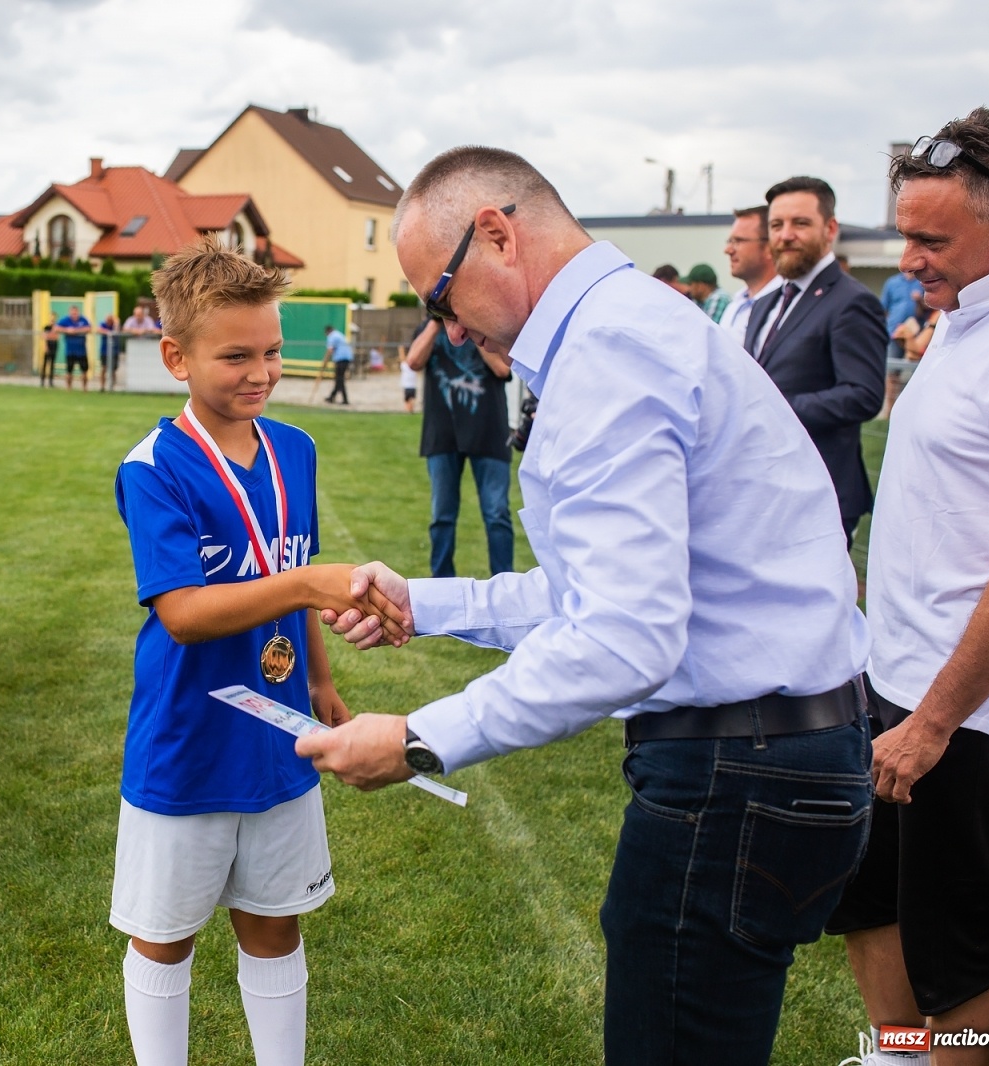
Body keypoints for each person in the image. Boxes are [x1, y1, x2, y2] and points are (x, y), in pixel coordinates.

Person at [297, 146, 872, 1065]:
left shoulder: (608, 349)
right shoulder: (625, 325)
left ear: (497, 234)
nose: (448, 329)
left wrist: (417, 738)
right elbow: (595, 592)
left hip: (735, 769)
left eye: (441, 297)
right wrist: (424, 602)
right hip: (771, 756)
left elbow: (624, 637)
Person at [111, 240, 387, 1066]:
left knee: (273, 923)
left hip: (280, 732)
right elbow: (185, 615)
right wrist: (304, 583)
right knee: (166, 935)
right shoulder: (154, 467)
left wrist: (323, 679)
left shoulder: (295, 448)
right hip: (187, 739)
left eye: (271, 351)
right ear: (177, 357)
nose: (261, 372)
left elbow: (292, 572)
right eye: (235, 356)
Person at [827, 107, 989, 1066]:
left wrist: (935, 722)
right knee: (868, 901)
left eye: (931, 240)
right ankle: (901, 1054)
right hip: (893, 675)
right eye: (905, 233)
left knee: (957, 953)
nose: (909, 259)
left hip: (963, 706)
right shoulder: (968, 313)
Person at [745, 176, 887, 544]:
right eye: (777, 225)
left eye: (800, 223)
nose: (786, 235)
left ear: (830, 229)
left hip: (820, 493)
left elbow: (863, 394)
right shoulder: (765, 304)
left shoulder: (852, 302)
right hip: (766, 487)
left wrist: (776, 409)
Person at [405, 318, 515, 577]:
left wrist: (470, 325)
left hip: (489, 432)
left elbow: (502, 369)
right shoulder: (429, 329)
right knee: (442, 516)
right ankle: (441, 583)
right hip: (442, 435)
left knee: (497, 514)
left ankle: (505, 580)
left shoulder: (490, 324)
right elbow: (413, 362)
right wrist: (436, 322)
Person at [718, 205, 783, 337]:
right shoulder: (736, 304)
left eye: (738, 241)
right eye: (730, 241)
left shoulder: (784, 308)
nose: (728, 250)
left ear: (769, 247)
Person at [880, 268, 925, 359]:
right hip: (894, 332)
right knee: (892, 364)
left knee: (915, 364)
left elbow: (930, 309)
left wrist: (919, 301)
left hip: (917, 333)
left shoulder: (923, 281)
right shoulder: (892, 282)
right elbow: (883, 309)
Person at [57, 304, 92, 392]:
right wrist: (67, 330)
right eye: (72, 313)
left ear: (78, 312)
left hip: (81, 351)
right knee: (69, 371)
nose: (74, 314)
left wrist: (75, 331)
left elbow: (89, 328)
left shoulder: (83, 320)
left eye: (76, 313)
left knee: (84, 370)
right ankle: (69, 388)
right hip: (70, 351)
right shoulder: (65, 320)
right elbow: (56, 328)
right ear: (70, 313)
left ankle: (84, 388)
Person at [322, 324, 353, 405]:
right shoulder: (339, 334)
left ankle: (345, 399)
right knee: (339, 378)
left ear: (327, 332)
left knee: (340, 379)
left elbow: (330, 350)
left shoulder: (331, 336)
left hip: (340, 359)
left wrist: (325, 362)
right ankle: (332, 396)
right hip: (347, 358)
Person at [99, 309, 121, 392]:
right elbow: (99, 329)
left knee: (113, 370)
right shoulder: (103, 324)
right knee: (103, 368)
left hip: (114, 351)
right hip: (104, 351)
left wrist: (116, 323)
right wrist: (108, 332)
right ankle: (102, 386)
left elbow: (117, 331)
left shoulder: (114, 325)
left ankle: (112, 387)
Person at [39, 321, 58, 388]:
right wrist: (50, 336)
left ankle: (51, 382)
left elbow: (56, 337)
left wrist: (49, 336)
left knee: (52, 365)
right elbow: (43, 336)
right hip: (48, 348)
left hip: (54, 347)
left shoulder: (56, 328)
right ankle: (42, 381)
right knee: (45, 364)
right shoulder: (46, 327)